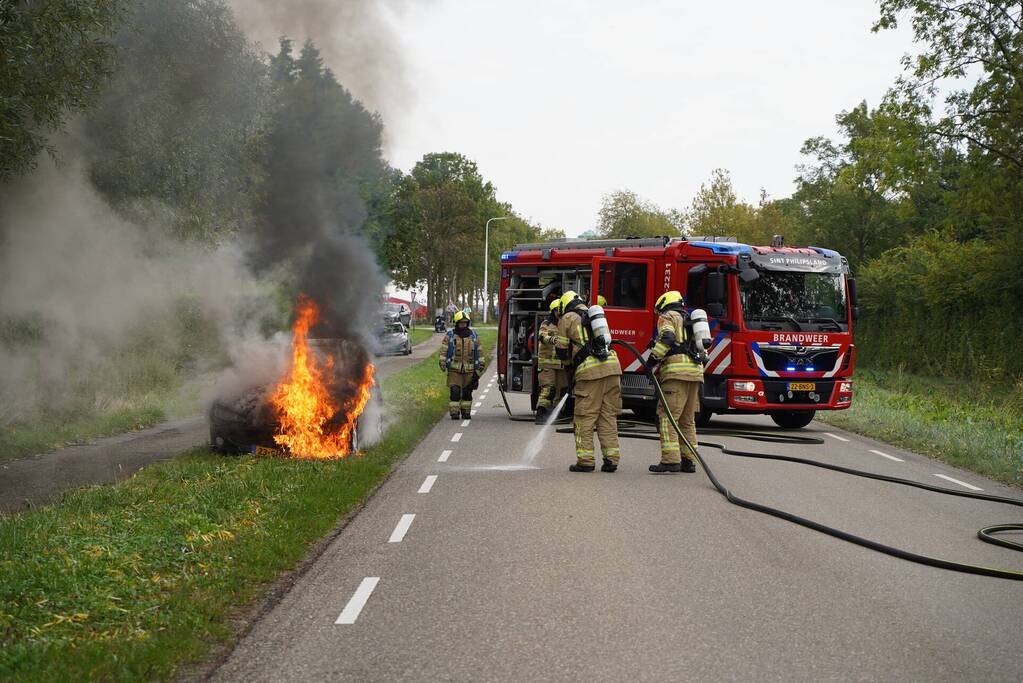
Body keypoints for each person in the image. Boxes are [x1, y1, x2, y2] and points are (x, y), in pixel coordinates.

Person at [556, 291, 623, 473]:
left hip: (590, 372)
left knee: (584, 417)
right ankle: (611, 460)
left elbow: (561, 350)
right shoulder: (595, 316)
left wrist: (570, 366)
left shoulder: (567, 318)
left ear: (565, 305)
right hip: (613, 368)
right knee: (607, 416)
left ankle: (585, 461)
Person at [647, 290, 704, 473]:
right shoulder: (691, 320)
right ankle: (689, 460)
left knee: (667, 417)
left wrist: (653, 359)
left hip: (676, 375)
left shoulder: (668, 316)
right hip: (695, 373)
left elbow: (668, 338)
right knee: (687, 420)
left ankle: (670, 460)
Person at [440, 310, 481, 420]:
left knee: (467, 393)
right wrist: (442, 362)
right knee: (455, 392)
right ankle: (454, 413)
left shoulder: (473, 336)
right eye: (461, 323)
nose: (463, 325)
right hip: (454, 370)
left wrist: (480, 365)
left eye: (465, 323)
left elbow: (479, 351)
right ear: (457, 323)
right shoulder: (450, 336)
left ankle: (466, 412)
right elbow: (444, 350)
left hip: (469, 371)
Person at [535, 298, 570, 424]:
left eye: (560, 311)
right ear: (552, 311)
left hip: (561, 365)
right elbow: (542, 336)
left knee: (562, 390)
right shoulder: (546, 323)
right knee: (548, 389)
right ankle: (540, 413)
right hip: (547, 363)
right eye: (556, 311)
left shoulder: (564, 323)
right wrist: (553, 339)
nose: (559, 313)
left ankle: (557, 414)